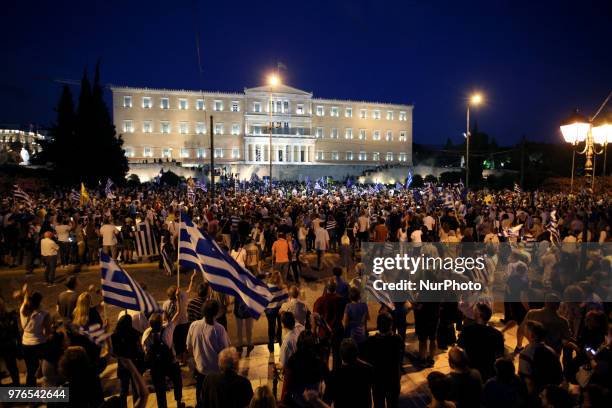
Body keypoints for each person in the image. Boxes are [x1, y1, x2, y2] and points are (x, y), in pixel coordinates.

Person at [186, 299, 231, 408]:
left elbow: (189, 347)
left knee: (202, 401)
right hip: (217, 374)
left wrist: (196, 361)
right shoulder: (219, 329)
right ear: (216, 312)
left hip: (201, 371)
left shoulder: (194, 326)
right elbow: (226, 351)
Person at [142, 309, 185, 407]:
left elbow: (145, 350)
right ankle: (178, 401)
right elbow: (178, 314)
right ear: (161, 323)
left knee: (159, 389)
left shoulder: (146, 334)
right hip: (169, 363)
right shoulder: (168, 330)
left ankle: (162, 406)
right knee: (177, 379)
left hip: (156, 366)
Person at [363, 312, 404, 408]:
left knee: (378, 404)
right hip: (393, 379)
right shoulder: (397, 339)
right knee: (393, 404)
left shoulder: (370, 341)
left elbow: (367, 361)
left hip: (377, 380)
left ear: (377, 325)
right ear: (391, 325)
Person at [457, 303, 505, 381]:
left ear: (479, 315)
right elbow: (499, 355)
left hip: (471, 371)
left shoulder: (467, 330)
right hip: (489, 372)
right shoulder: (497, 334)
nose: (473, 312)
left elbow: (461, 349)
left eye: (475, 310)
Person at [323, 338, 374, 408]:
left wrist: (315, 400)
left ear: (341, 355)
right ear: (357, 353)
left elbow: (327, 401)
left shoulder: (334, 374)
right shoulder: (368, 369)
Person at [518, 320, 563, 398]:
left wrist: (531, 399)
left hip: (537, 394)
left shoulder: (526, 354)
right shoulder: (551, 351)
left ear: (532, 336)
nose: (524, 331)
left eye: (526, 330)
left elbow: (528, 382)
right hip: (550, 392)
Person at [19, 285, 51, 386]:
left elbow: (25, 302)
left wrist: (25, 293)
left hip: (26, 344)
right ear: (40, 302)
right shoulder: (44, 314)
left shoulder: (23, 310)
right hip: (40, 343)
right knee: (46, 368)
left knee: (30, 370)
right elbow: (47, 332)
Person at [111, 314, 145, 407]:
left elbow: (113, 352)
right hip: (134, 365)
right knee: (136, 389)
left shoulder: (115, 336)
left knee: (123, 390)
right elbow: (139, 350)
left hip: (123, 365)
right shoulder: (135, 333)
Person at [313, 279, 346, 369]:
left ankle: (325, 377)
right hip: (337, 331)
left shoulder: (320, 300)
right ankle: (336, 375)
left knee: (324, 357)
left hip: (324, 333)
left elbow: (315, 317)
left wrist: (314, 332)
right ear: (336, 288)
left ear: (326, 288)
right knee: (337, 356)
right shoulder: (341, 300)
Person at [0, 294, 20, 385]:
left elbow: (15, 331)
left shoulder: (10, 315)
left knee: (13, 368)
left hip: (8, 346)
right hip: (4, 345)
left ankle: (17, 386)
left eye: (1, 304)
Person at [265, 272, 287, 352]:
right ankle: (280, 342)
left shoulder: (267, 288)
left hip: (269, 311)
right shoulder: (283, 288)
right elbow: (285, 300)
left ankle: (271, 346)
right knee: (280, 327)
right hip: (279, 310)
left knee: (271, 327)